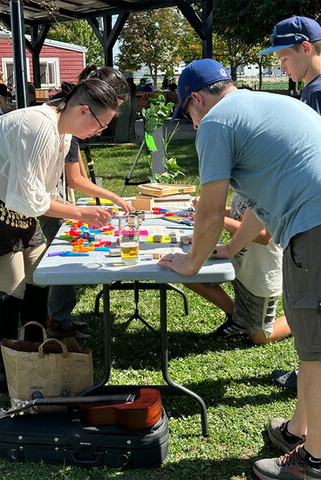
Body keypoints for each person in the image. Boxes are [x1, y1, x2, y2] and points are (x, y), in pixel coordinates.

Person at [157, 57, 321, 480]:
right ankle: (298, 431)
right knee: (313, 345)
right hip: (312, 221)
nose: (193, 124)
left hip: (314, 229)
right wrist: (230, 247)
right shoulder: (274, 104)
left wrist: (191, 263)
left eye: (188, 114)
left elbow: (209, 211)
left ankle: (313, 461)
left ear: (196, 99)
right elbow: (266, 196)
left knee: (317, 352)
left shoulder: (216, 123)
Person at [0, 78, 119, 391]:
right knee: (10, 291)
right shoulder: (37, 124)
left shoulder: (61, 131)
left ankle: (35, 347)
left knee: (41, 276)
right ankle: (6, 370)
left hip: (17, 209)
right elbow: (29, 198)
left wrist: (75, 213)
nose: (101, 132)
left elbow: (41, 191)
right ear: (83, 111)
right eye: (101, 124)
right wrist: (80, 213)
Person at [42, 64, 134, 339]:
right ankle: (57, 323)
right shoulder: (66, 120)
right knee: (61, 256)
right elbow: (75, 179)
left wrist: (108, 198)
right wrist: (110, 199)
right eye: (106, 113)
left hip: (54, 197)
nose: (104, 124)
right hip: (47, 200)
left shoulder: (75, 116)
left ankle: (60, 318)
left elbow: (78, 174)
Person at [258, 15, 321, 391]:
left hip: (311, 215)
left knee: (308, 306)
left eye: (284, 56)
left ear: (307, 48)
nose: (280, 64)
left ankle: (308, 376)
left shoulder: (314, 93)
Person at [184, 192, 291, 345]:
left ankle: (303, 318)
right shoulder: (245, 184)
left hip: (261, 273)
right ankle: (238, 320)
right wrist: (209, 210)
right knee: (188, 272)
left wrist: (216, 219)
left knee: (261, 337)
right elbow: (237, 214)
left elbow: (264, 237)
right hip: (239, 264)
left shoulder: (268, 190)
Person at [114, 71, 138, 142]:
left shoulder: (124, 86)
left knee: (122, 123)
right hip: (133, 105)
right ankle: (130, 138)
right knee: (131, 123)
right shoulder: (134, 86)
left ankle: (121, 138)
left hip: (125, 106)